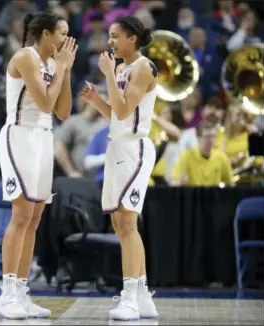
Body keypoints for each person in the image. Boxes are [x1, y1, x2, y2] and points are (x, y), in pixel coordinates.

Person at [0, 11, 77, 319]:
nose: (67, 40)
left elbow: (64, 111)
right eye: (62, 33)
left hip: (43, 138)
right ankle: (6, 294)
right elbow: (44, 103)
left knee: (34, 218)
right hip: (19, 136)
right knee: (21, 214)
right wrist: (61, 70)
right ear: (45, 35)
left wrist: (64, 71)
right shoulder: (25, 57)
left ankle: (20, 290)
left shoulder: (52, 63)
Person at [79, 16, 158, 321]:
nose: (109, 42)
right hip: (117, 146)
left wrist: (109, 75)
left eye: (115, 36)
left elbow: (126, 110)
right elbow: (116, 114)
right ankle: (142, 296)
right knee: (119, 224)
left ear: (132, 38)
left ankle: (129, 297)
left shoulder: (143, 67)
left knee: (127, 223)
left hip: (135, 148)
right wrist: (96, 99)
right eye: (109, 36)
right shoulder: (123, 69)